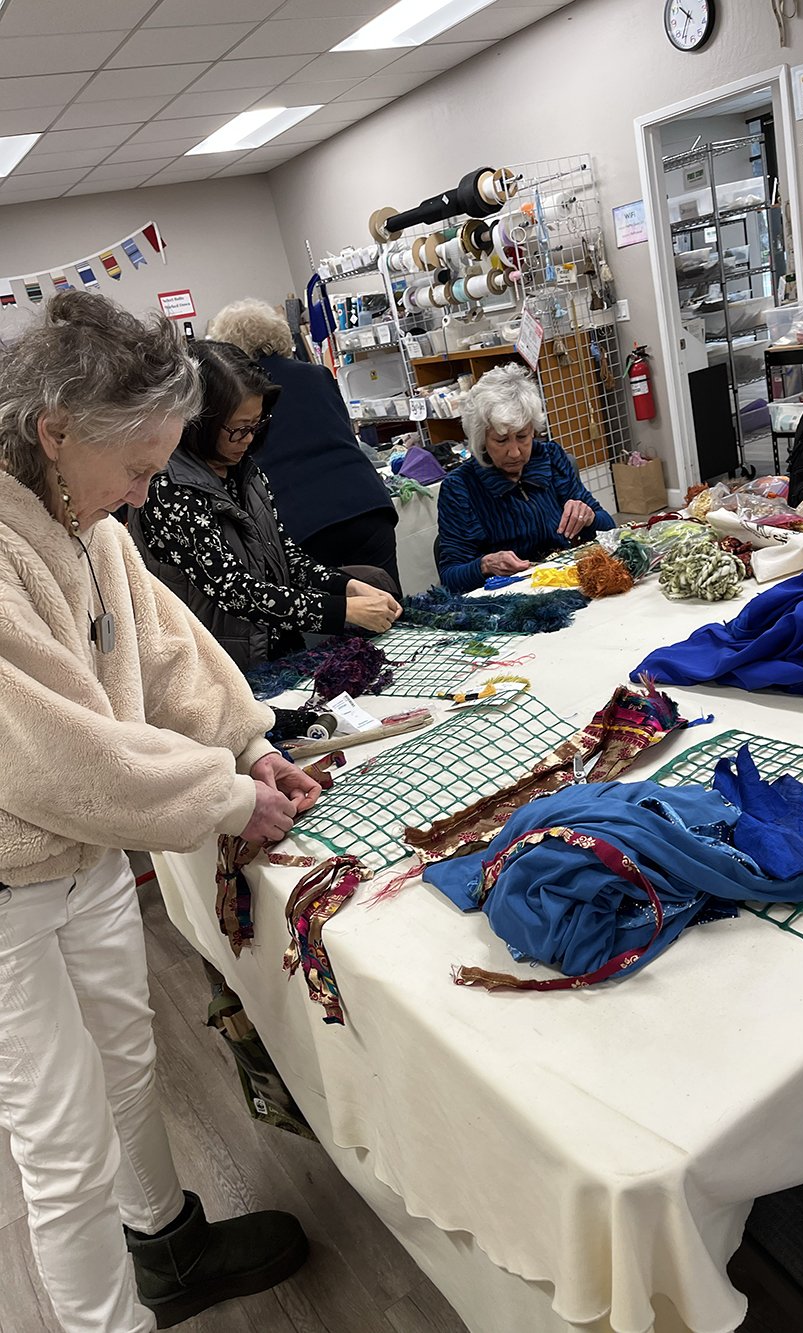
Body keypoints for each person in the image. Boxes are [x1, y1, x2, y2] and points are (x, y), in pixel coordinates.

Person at [0, 291, 319, 1332]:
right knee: (59, 1138)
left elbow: (173, 655)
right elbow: (61, 755)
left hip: (84, 857)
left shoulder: (89, 521)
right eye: (137, 468)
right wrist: (226, 799)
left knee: (129, 1063)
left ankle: (169, 1248)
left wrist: (252, 748)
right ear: (55, 431)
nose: (147, 494)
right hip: (8, 887)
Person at [129, 340, 401, 671]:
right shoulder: (168, 489)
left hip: (276, 653)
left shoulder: (245, 471)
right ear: (199, 421)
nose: (249, 438)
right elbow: (235, 590)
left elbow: (286, 558)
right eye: (238, 429)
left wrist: (345, 586)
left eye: (256, 425)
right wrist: (340, 611)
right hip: (226, 671)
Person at [207, 298, 401, 590]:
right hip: (365, 504)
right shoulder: (317, 375)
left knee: (333, 623)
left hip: (300, 519)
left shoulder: (241, 396)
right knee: (388, 606)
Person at [435, 363, 615, 593]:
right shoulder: (460, 487)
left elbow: (608, 530)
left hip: (565, 582)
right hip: (509, 599)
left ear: (533, 430)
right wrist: (485, 565)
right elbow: (450, 576)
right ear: (481, 439)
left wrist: (589, 517)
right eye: (501, 441)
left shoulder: (551, 458)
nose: (515, 452)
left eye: (522, 437)